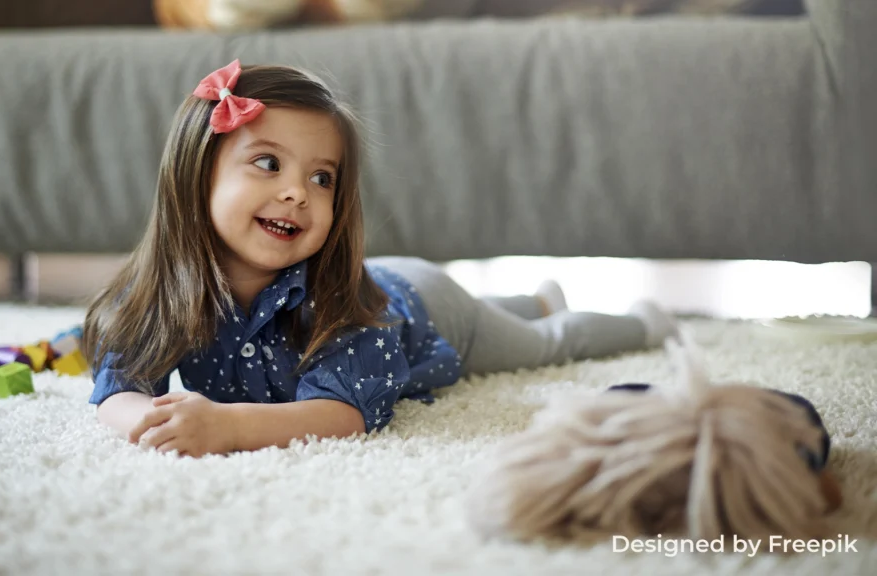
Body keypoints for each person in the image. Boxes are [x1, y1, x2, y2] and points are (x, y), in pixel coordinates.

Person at [81, 59, 679, 458]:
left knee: (541, 344)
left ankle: (640, 320)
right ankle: (535, 297)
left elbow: (345, 414)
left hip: (432, 309)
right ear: (195, 172)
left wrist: (228, 427)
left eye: (322, 178)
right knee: (515, 314)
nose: (298, 192)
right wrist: (151, 424)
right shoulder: (159, 293)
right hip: (395, 281)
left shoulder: (341, 306)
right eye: (268, 164)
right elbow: (118, 387)